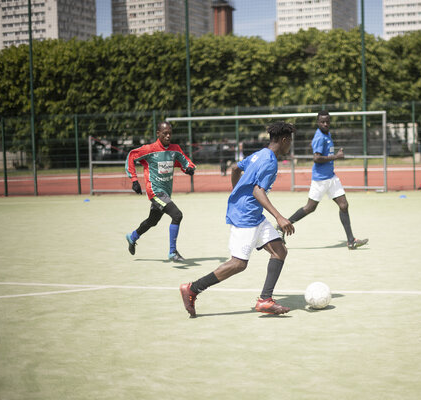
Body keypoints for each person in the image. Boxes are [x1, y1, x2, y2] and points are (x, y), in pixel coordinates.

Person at [179, 121, 296, 317]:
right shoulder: (270, 161)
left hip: (251, 212)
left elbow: (234, 168)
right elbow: (258, 191)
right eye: (290, 141)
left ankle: (265, 300)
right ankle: (192, 289)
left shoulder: (260, 154)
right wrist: (279, 217)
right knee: (238, 264)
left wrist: (237, 193)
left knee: (279, 250)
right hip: (246, 216)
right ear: (284, 140)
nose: (290, 145)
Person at [279, 110, 368, 249]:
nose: (325, 124)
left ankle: (351, 240)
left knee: (344, 205)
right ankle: (281, 226)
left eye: (327, 121)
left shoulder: (327, 134)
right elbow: (316, 158)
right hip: (320, 179)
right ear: (318, 122)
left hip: (331, 177)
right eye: (322, 122)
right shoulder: (319, 137)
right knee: (309, 208)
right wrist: (336, 157)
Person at [125, 121, 196, 262]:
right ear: (158, 134)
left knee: (153, 221)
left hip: (166, 193)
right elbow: (131, 156)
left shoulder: (175, 149)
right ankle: (172, 252)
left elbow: (185, 161)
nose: (168, 136)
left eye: (170, 133)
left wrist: (189, 168)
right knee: (177, 215)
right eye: (165, 133)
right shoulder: (149, 149)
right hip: (155, 192)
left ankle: (132, 236)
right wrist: (134, 180)